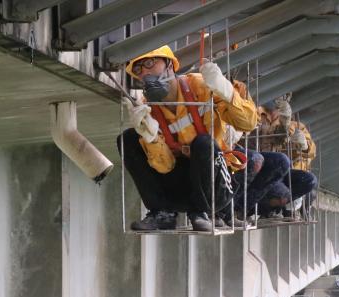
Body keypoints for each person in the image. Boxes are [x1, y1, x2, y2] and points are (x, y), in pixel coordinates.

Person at [118, 45, 257, 231]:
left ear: (169, 65)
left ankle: (203, 212)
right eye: (138, 70)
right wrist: (150, 137)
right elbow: (165, 166)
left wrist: (227, 91)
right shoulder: (148, 107)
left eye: (150, 63)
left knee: (203, 142)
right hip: (181, 185)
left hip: (215, 186)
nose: (145, 73)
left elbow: (247, 124)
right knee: (128, 138)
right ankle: (162, 212)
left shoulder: (200, 86)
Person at [258, 100, 318, 219]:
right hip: (263, 170)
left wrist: (305, 146)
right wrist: (281, 129)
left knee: (309, 181)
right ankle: (267, 209)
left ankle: (277, 208)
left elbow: (311, 151)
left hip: (284, 172)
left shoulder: (295, 126)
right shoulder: (258, 114)